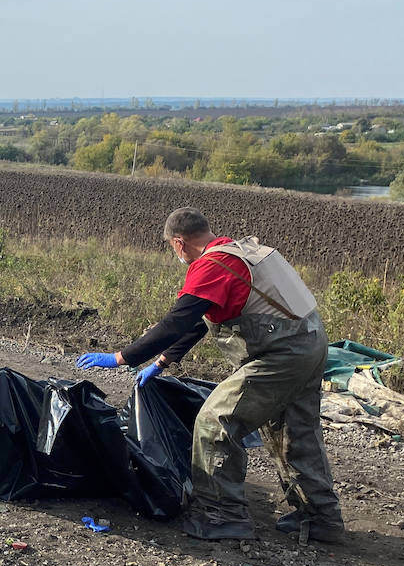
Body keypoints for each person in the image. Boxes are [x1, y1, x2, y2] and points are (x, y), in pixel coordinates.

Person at [75, 207, 344, 542]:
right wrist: (160, 363)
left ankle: (224, 517)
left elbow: (176, 321)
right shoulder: (240, 251)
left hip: (282, 353)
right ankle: (322, 519)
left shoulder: (212, 266)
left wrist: (120, 357)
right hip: (310, 343)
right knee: (295, 430)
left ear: (178, 243)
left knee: (215, 422)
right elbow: (199, 322)